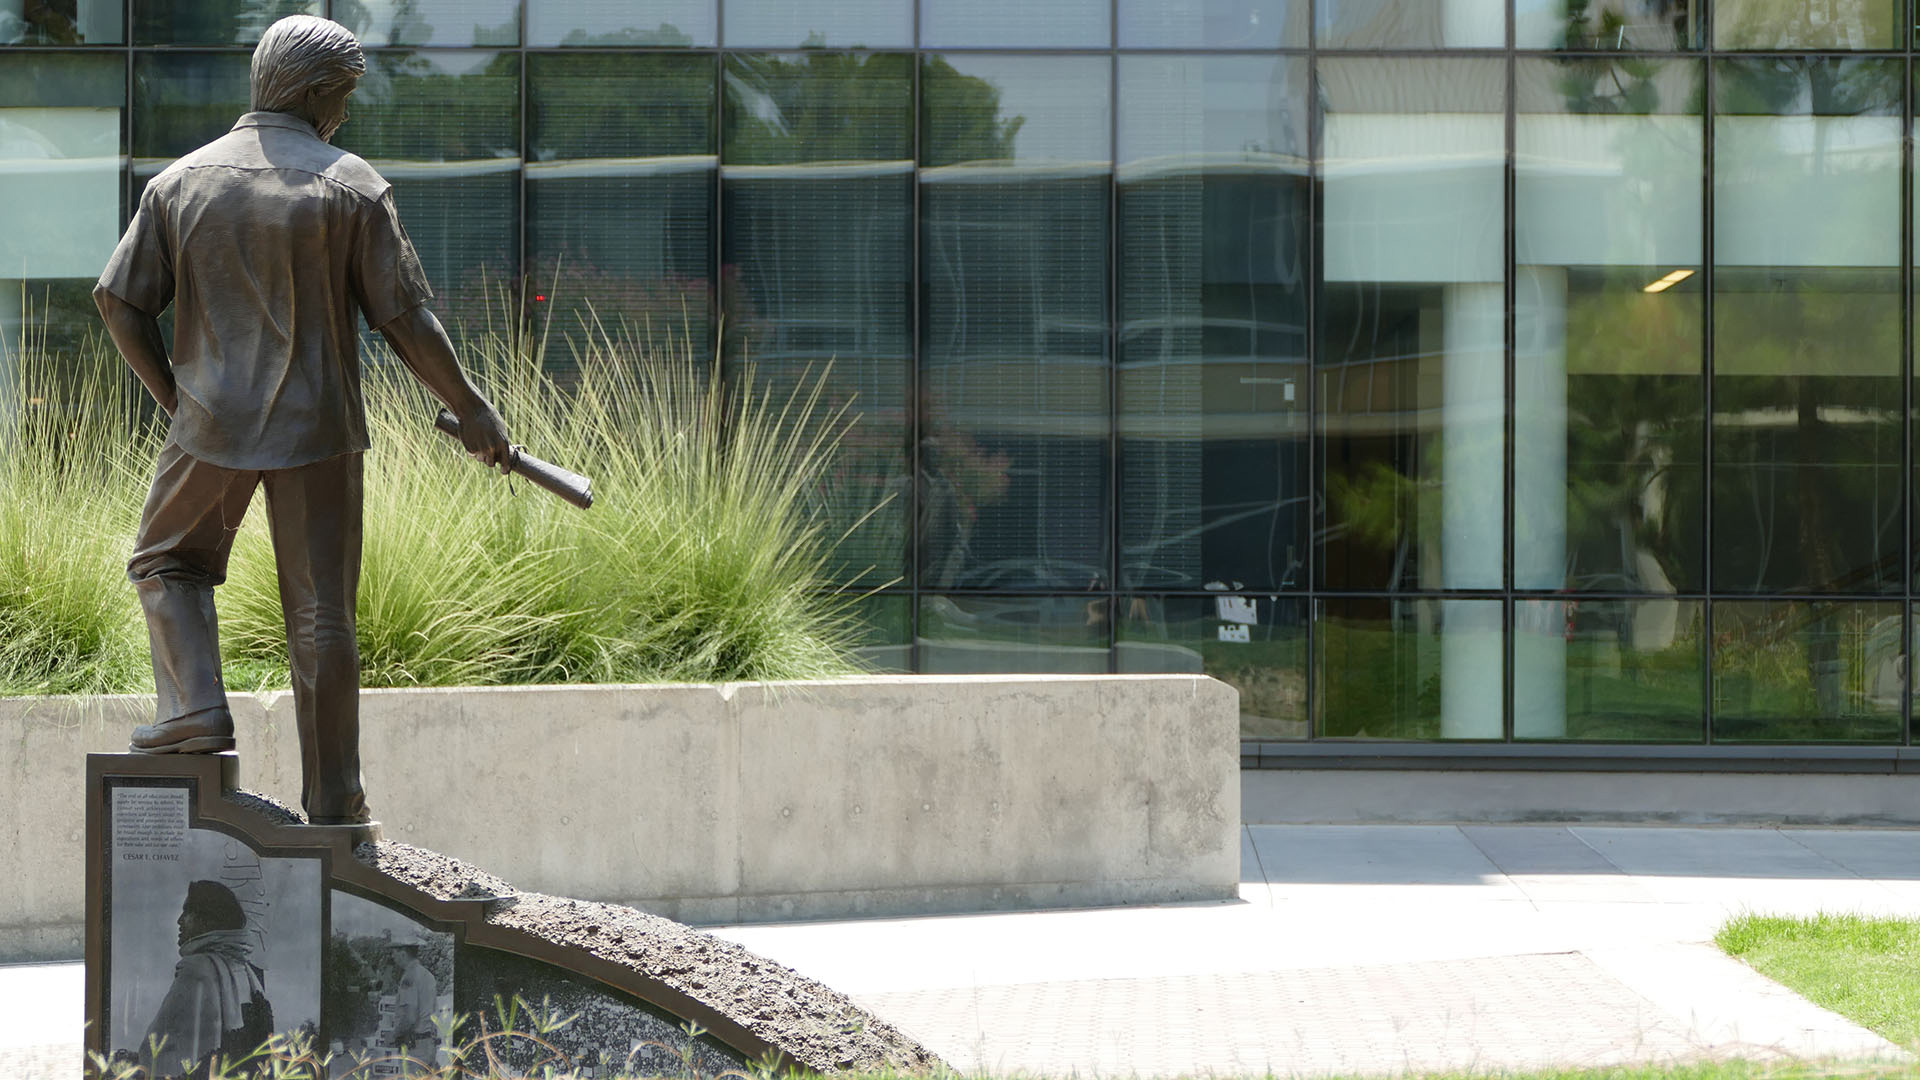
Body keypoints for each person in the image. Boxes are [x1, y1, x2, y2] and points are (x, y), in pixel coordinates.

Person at [93, 14, 512, 824]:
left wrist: (175, 401)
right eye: (344, 97)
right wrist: (472, 409)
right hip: (318, 426)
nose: (345, 115)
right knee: (323, 615)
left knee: (167, 561)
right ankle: (337, 805)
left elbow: (117, 300)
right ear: (316, 92)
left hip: (209, 423)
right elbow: (405, 320)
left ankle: (194, 708)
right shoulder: (350, 184)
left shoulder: (180, 182)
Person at [139, 880, 274, 1080]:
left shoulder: (196, 968)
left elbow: (160, 1048)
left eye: (187, 912)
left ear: (207, 921)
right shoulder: (247, 971)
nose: (179, 921)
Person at [389, 940, 440, 1069]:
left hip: (414, 1047)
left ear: (403, 953)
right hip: (428, 1044)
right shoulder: (427, 975)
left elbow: (410, 1017)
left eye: (394, 952)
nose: (392, 956)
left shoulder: (409, 978)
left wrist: (395, 1035)